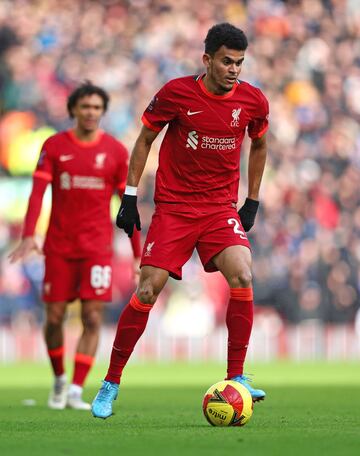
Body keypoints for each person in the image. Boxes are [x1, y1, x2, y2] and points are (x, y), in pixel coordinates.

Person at [91, 23, 269, 419]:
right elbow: (144, 140)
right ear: (207, 60)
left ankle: (236, 377)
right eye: (226, 61)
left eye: (240, 62)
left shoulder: (253, 102)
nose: (234, 69)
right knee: (149, 289)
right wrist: (131, 196)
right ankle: (111, 382)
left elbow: (259, 144)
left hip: (219, 208)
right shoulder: (176, 93)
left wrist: (252, 200)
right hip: (174, 208)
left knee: (242, 273)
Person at [9, 82, 141, 410]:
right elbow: (38, 193)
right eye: (85, 107)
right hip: (59, 246)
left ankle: (75, 390)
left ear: (103, 112)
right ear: (73, 111)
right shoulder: (54, 147)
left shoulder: (114, 152)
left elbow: (127, 207)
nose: (91, 113)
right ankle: (58, 378)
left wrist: (139, 254)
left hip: (97, 248)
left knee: (93, 317)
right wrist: (29, 234)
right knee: (54, 316)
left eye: (97, 108)